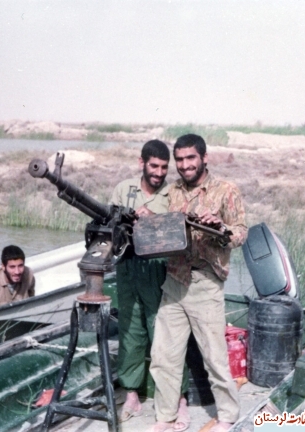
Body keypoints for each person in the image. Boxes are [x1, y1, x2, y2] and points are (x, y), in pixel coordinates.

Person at [148, 134, 248, 432]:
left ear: (204, 158)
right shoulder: (171, 192)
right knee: (163, 356)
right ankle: (165, 417)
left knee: (215, 357)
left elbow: (241, 233)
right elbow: (157, 227)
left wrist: (221, 229)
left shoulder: (226, 190)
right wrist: (149, 217)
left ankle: (227, 416)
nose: (184, 165)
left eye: (190, 158)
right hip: (175, 281)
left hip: (206, 283)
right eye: (179, 160)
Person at [110, 140, 190, 429]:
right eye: (153, 166)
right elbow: (111, 227)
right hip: (128, 269)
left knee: (165, 334)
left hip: (159, 270)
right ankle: (132, 394)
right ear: (141, 162)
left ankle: (179, 399)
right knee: (130, 332)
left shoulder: (174, 194)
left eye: (164, 167)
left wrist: (154, 220)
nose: (158, 172)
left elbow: (181, 230)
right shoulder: (124, 190)